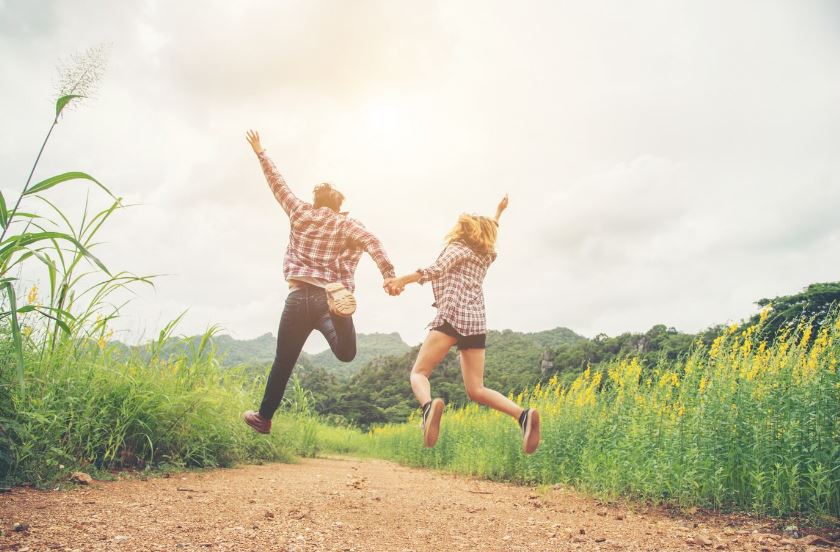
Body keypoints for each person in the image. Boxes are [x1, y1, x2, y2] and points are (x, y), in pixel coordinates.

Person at [242, 130, 397, 434]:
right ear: (339, 205)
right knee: (345, 353)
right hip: (328, 298)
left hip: (298, 298)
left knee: (283, 362)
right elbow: (372, 242)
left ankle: (263, 417)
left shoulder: (300, 211)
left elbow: (278, 184)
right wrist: (388, 274)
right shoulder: (347, 223)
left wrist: (261, 151)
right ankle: (341, 315)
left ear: (315, 200)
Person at [386, 195, 540, 454]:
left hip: (452, 316)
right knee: (477, 389)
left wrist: (403, 280)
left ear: (463, 230)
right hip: (476, 322)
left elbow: (436, 269)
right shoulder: (487, 255)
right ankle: (523, 415)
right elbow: (491, 229)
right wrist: (498, 212)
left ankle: (427, 409)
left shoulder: (458, 248)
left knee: (419, 373)